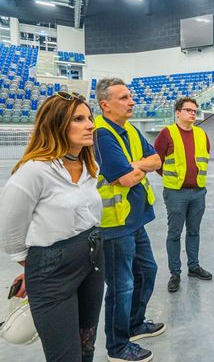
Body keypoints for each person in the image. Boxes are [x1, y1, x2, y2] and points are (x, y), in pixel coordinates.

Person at [0, 91, 104, 361]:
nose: (90, 125)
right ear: (56, 124)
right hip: (51, 273)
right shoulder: (34, 171)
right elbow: (11, 234)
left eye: (90, 118)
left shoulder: (89, 165)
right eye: (78, 119)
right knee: (65, 355)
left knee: (86, 346)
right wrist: (35, 268)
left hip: (92, 260)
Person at [94, 78, 165, 362]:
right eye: (123, 98)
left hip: (135, 219)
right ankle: (117, 346)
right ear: (105, 104)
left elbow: (157, 160)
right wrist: (137, 168)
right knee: (121, 286)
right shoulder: (101, 134)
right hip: (115, 224)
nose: (131, 102)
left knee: (147, 272)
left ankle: (135, 325)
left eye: (130, 96)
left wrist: (135, 165)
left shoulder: (131, 129)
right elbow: (124, 179)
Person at [154, 97, 212, 293]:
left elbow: (205, 156)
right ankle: (175, 273)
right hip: (175, 193)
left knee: (194, 231)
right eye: (188, 110)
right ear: (178, 112)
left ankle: (193, 267)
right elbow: (157, 161)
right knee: (174, 233)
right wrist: (171, 178)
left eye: (195, 110)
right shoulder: (167, 133)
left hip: (198, 191)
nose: (193, 113)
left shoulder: (202, 134)